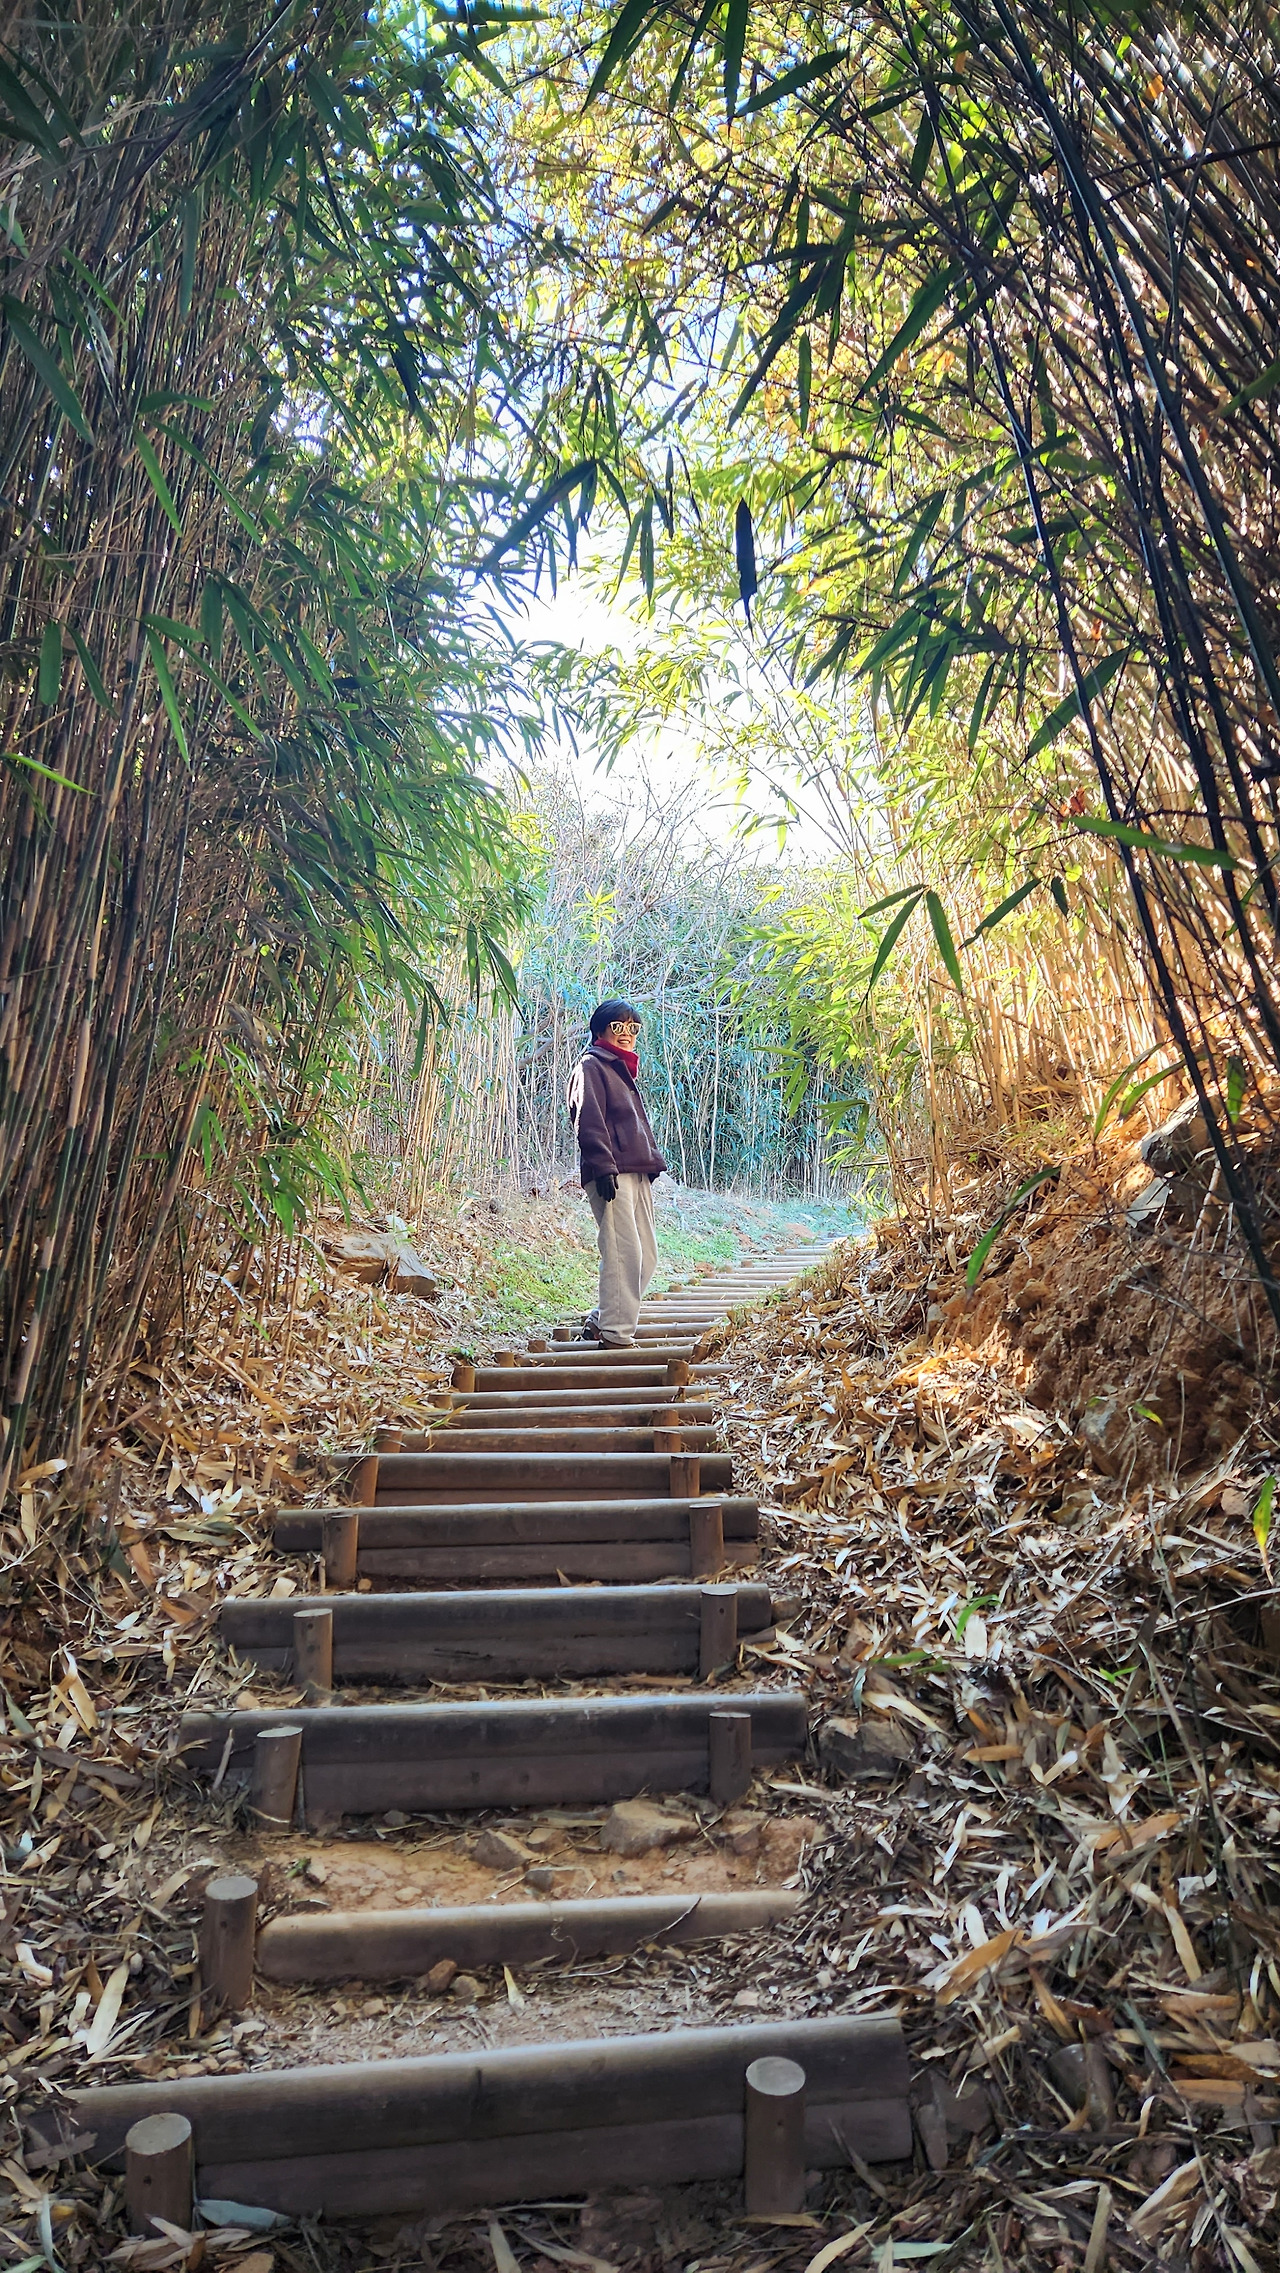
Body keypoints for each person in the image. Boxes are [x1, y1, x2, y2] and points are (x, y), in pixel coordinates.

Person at [567, 999, 667, 1347]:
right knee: (625, 1253)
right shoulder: (592, 1066)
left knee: (647, 1256)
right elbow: (588, 1120)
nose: (626, 1034)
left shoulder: (620, 1068)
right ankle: (615, 1335)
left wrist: (650, 1162)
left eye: (633, 1028)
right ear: (600, 1031)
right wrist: (604, 1166)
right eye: (618, 1027)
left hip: (635, 1170)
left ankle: (601, 1320)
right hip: (610, 1173)